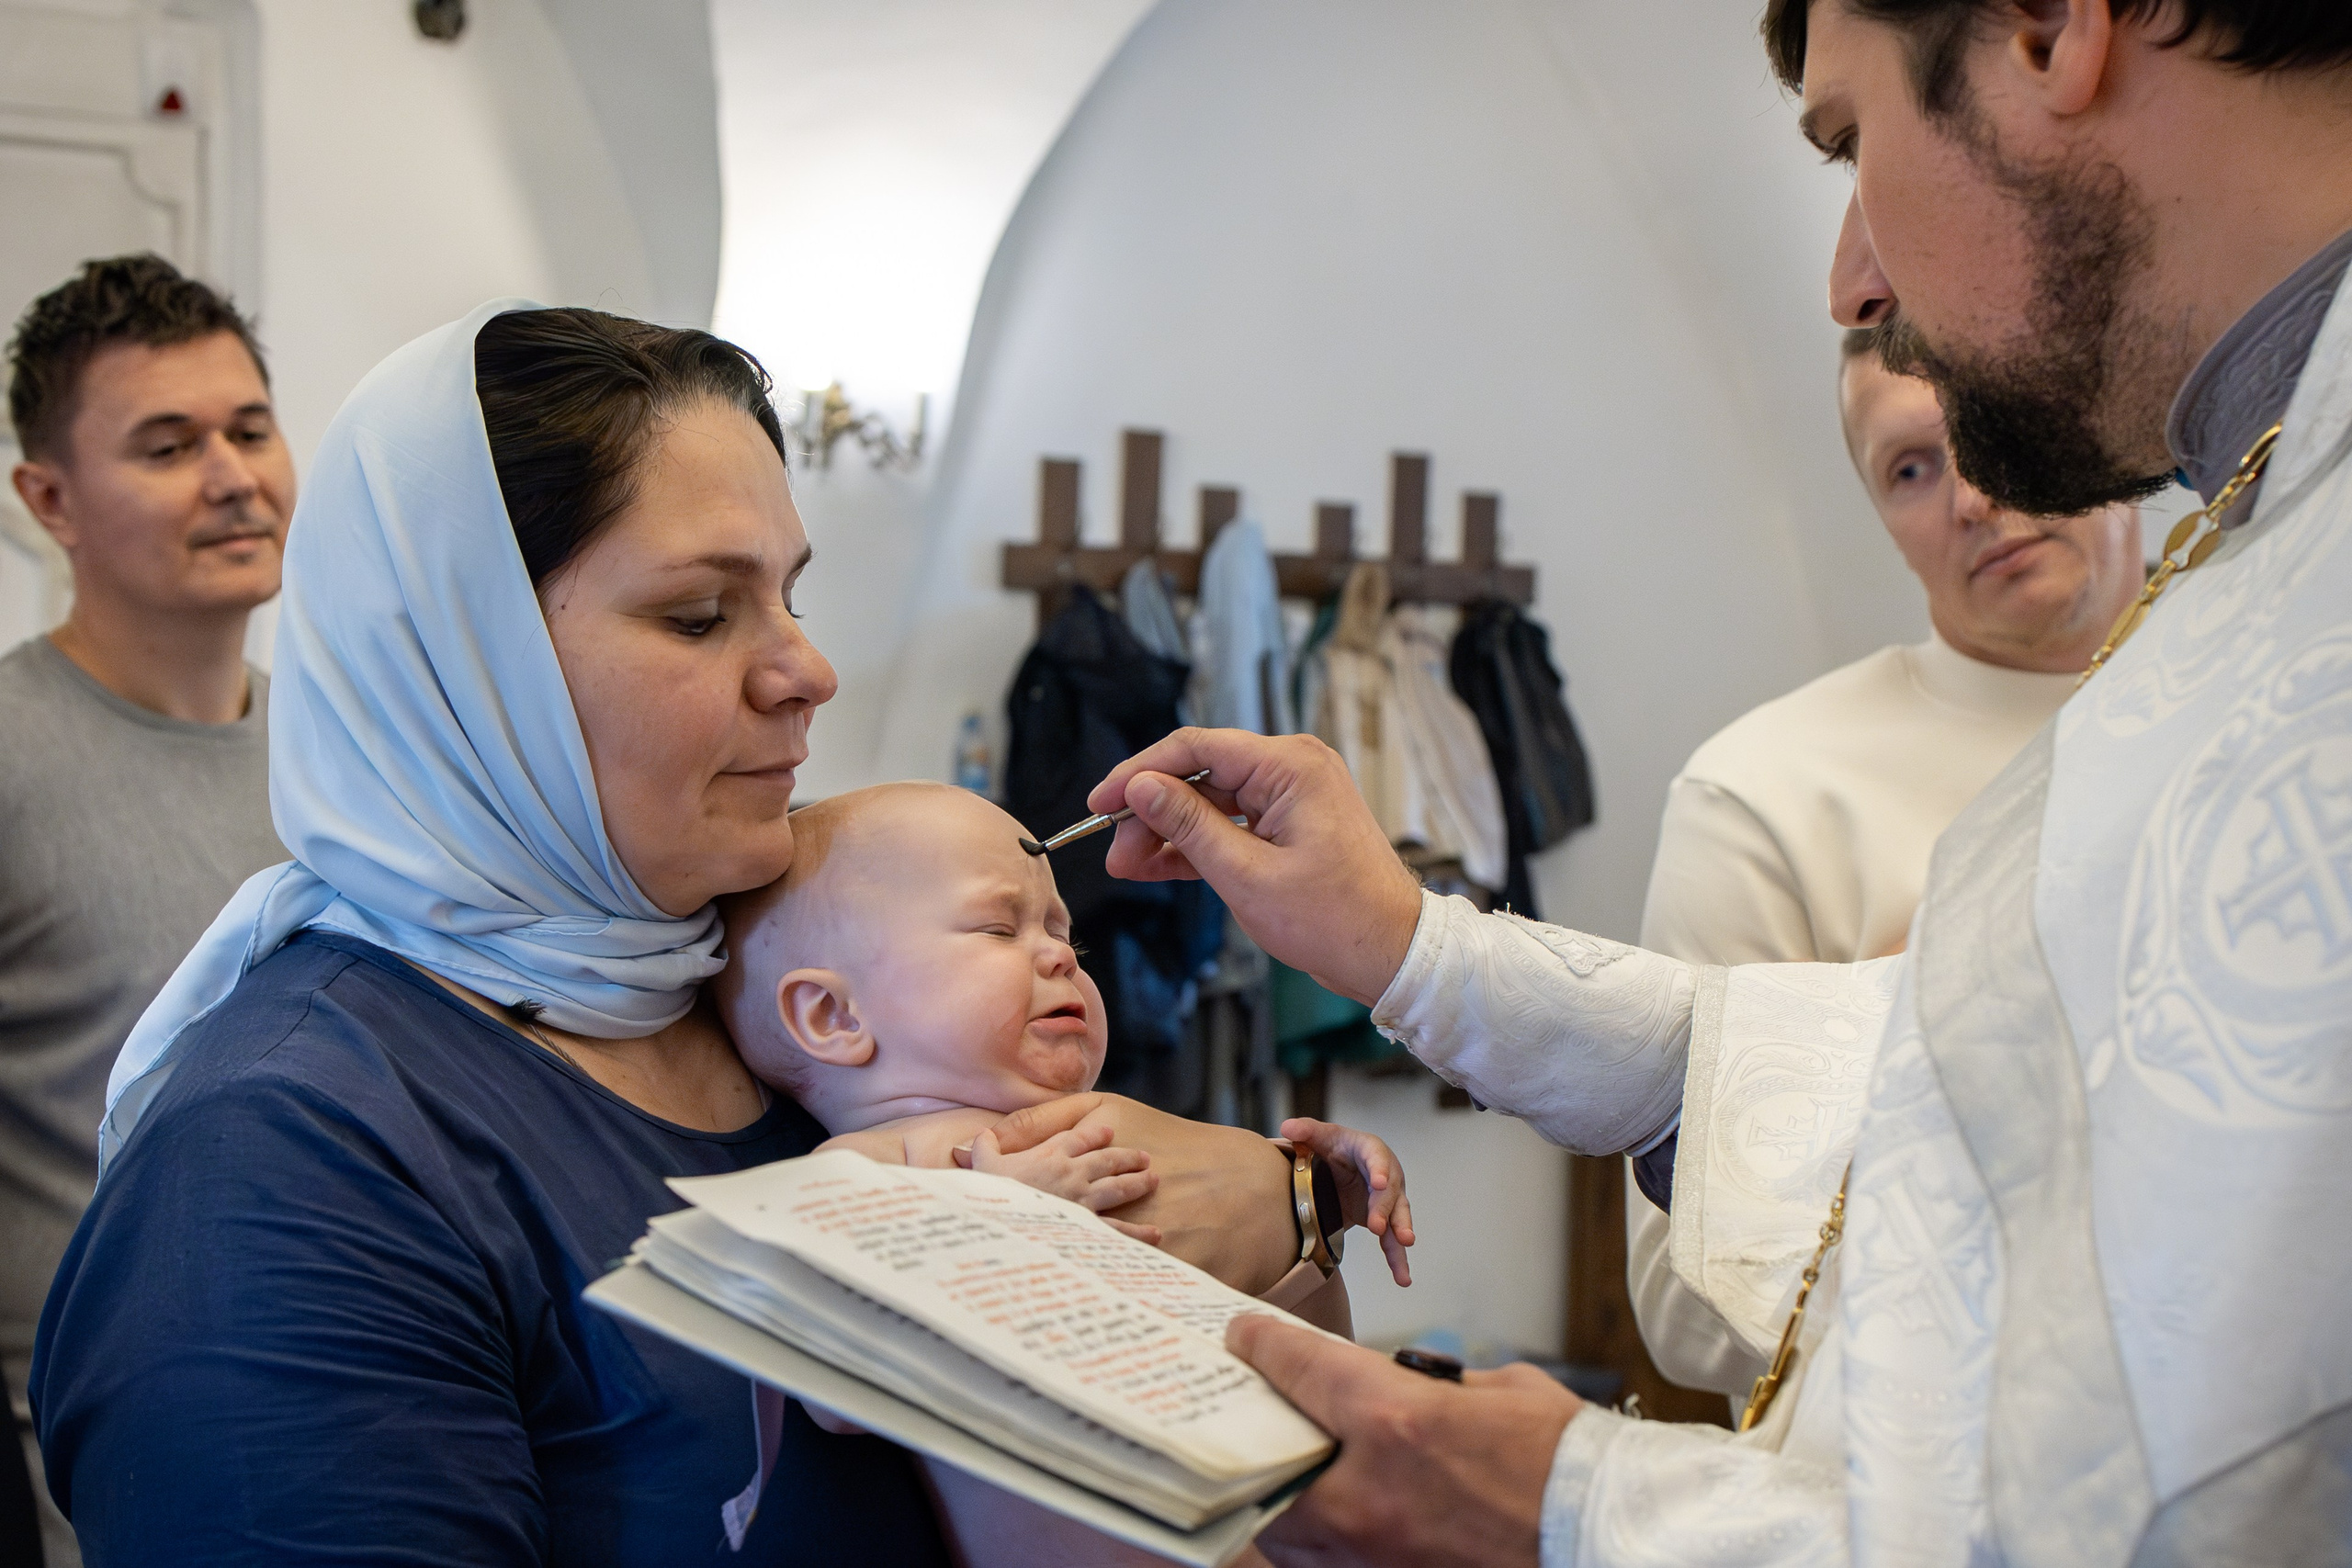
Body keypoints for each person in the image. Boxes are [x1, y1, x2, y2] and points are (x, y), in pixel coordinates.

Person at [1041, 3, 2352, 1562]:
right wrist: (1411, 943)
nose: (1855, 279)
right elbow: (1958, 1091)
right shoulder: (2268, 533)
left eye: (1855, 140)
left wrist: (1582, 1507)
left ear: (2056, 28)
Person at [31, 304, 1329, 1565]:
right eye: (703, 614)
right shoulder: (284, 1161)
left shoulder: (779, 985)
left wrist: (1293, 1209)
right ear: (468, 665)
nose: (807, 670)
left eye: (789, 598)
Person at [1624, 336, 2142, 1404]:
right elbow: (1688, 1316)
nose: (1973, 497)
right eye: (1912, 469)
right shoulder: (1760, 794)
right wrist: (1899, 1028)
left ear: (2113, 415)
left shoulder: (2290, 715)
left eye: (2005, 425)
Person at [714, 779, 1411, 1568]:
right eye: (994, 926)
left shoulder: (1119, 1130)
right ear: (833, 1018)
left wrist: (1315, 1199)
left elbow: (1297, 1343)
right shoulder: (866, 1168)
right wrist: (994, 1227)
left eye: (1065, 938)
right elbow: (832, 1392)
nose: (1058, 954)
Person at [1, 254, 293, 1568]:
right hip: (109, 1492)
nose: (233, 474)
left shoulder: (350, 755)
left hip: (357, 1424)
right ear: (47, 498)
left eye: (249, 427)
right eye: (168, 445)